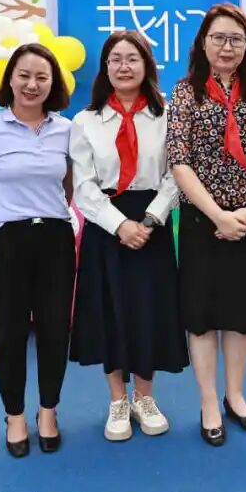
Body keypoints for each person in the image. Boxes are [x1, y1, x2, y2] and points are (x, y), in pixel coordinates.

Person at [166, 3, 246, 447]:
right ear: (203, 43)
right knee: (201, 316)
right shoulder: (185, 92)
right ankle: (208, 402)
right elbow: (178, 160)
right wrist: (218, 215)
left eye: (236, 39)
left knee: (240, 315)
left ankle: (235, 396)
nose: (227, 47)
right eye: (218, 38)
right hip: (203, 221)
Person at [68, 31, 187, 443]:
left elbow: (177, 174)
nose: (124, 66)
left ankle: (145, 397)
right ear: (105, 68)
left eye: (132, 59)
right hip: (107, 226)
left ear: (147, 66)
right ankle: (118, 400)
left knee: (149, 310)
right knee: (111, 311)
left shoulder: (168, 116)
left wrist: (150, 220)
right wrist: (120, 225)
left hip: (152, 221)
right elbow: (82, 186)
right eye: (115, 59)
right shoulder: (85, 121)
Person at [0, 43, 74, 458]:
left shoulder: (66, 130)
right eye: (24, 75)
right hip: (6, 241)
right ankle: (14, 416)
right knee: (8, 333)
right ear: (10, 78)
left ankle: (48, 411)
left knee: (54, 329)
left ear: (53, 84)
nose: (32, 84)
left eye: (42, 77)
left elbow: (68, 187)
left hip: (55, 240)